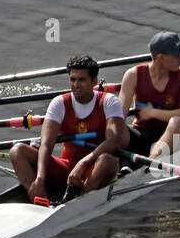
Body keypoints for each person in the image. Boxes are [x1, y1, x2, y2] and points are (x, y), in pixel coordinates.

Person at [9, 55, 129, 201]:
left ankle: (80, 198)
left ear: (94, 81)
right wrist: (40, 178)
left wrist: (83, 163)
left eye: (82, 80)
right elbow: (46, 144)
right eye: (72, 79)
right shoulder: (59, 103)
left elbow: (114, 140)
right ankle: (38, 194)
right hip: (68, 169)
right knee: (17, 151)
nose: (76, 85)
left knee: (107, 161)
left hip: (95, 168)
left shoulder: (109, 102)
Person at [118, 32, 180, 161]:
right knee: (115, 127)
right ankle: (112, 167)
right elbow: (119, 116)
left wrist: (154, 113)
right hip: (141, 132)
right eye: (177, 56)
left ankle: (147, 166)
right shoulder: (133, 75)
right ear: (161, 57)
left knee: (177, 122)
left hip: (171, 134)